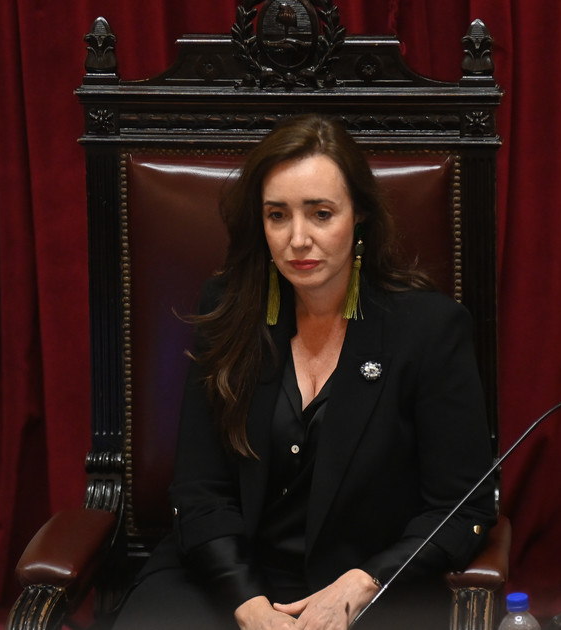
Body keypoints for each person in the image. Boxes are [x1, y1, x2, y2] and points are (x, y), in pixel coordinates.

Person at [113, 114, 496, 630]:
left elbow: (462, 509)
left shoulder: (429, 330)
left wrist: (365, 582)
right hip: (226, 579)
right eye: (278, 215)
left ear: (359, 214)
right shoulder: (229, 309)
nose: (298, 238)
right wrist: (248, 603)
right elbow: (200, 490)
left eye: (321, 213)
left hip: (369, 589)